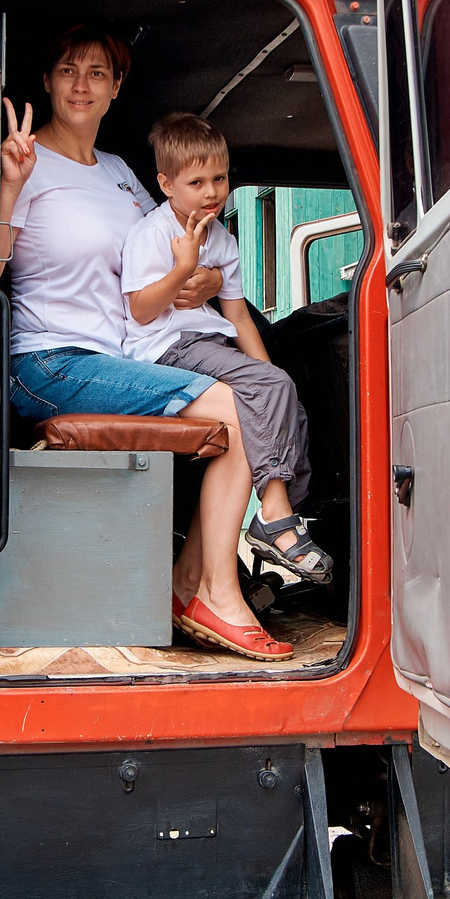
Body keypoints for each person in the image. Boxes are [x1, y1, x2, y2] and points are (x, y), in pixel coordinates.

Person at [0, 25, 294, 661]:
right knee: (240, 409)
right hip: (48, 360)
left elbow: (171, 249)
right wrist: (9, 186)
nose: (81, 85)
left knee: (254, 402)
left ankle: (189, 583)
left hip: (121, 358)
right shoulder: (25, 162)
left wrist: (209, 278)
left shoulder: (121, 173)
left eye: (97, 73)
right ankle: (216, 593)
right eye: (68, 70)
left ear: (116, 87)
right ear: (46, 81)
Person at [119, 112, 332, 600]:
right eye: (196, 183)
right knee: (272, 389)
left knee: (284, 396)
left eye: (220, 179)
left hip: (208, 347)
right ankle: (274, 515)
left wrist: (271, 376)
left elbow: (238, 317)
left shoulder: (224, 239)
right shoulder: (151, 233)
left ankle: (283, 513)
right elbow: (141, 311)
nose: (212, 192)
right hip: (163, 352)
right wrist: (183, 268)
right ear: (166, 185)